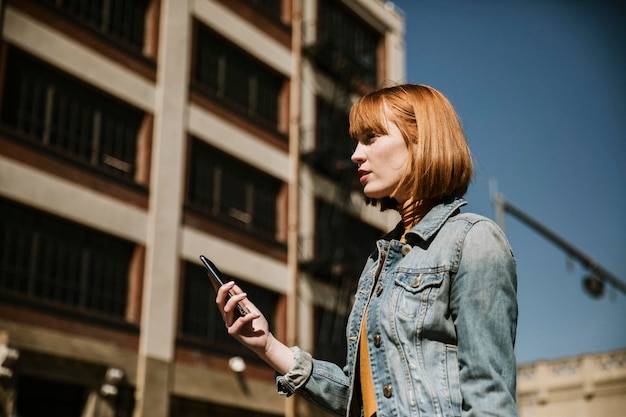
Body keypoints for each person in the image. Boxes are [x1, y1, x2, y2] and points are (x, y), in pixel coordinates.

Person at [216, 84, 519, 417]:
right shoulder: (380, 260)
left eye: (372, 137)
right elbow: (359, 397)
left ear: (421, 140)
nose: (356, 155)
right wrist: (268, 345)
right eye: (357, 142)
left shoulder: (472, 241)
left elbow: (489, 398)